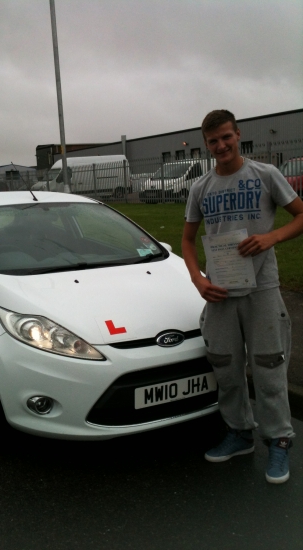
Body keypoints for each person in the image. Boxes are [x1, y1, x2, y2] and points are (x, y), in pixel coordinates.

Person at [182, 109, 303, 484]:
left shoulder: (265, 175)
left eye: (226, 138)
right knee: (226, 367)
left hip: (262, 289)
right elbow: (187, 240)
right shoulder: (201, 187)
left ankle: (279, 440)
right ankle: (240, 432)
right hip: (219, 291)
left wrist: (272, 237)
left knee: (268, 367)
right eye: (213, 141)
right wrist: (198, 280)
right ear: (206, 145)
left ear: (238, 135)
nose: (220, 146)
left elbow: (300, 215)